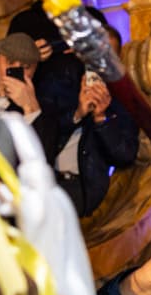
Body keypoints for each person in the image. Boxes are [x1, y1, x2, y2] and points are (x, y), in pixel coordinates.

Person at [52, 24, 139, 218]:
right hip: (46, 180)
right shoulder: (60, 83)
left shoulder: (123, 101)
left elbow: (125, 155)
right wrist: (78, 113)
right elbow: (43, 131)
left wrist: (102, 119)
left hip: (81, 189)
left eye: (107, 55)